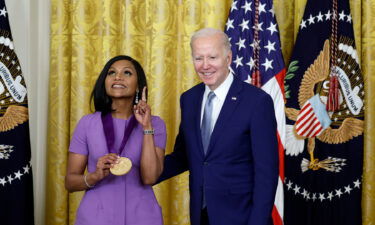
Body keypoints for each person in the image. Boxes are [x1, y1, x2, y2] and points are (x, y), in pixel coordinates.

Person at [158, 28, 279, 225]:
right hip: (201, 214)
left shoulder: (257, 102)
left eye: (212, 57)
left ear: (228, 58)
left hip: (242, 216)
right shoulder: (189, 99)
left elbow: (266, 173)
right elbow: (184, 156)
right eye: (198, 58)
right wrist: (140, 172)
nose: (205, 66)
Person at [65, 55, 166, 225]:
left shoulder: (155, 124)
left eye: (127, 73)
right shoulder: (87, 123)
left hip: (142, 217)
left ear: (139, 87)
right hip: (96, 217)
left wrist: (146, 126)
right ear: (104, 82)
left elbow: (150, 177)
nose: (118, 77)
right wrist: (94, 176)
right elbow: (70, 182)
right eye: (111, 73)